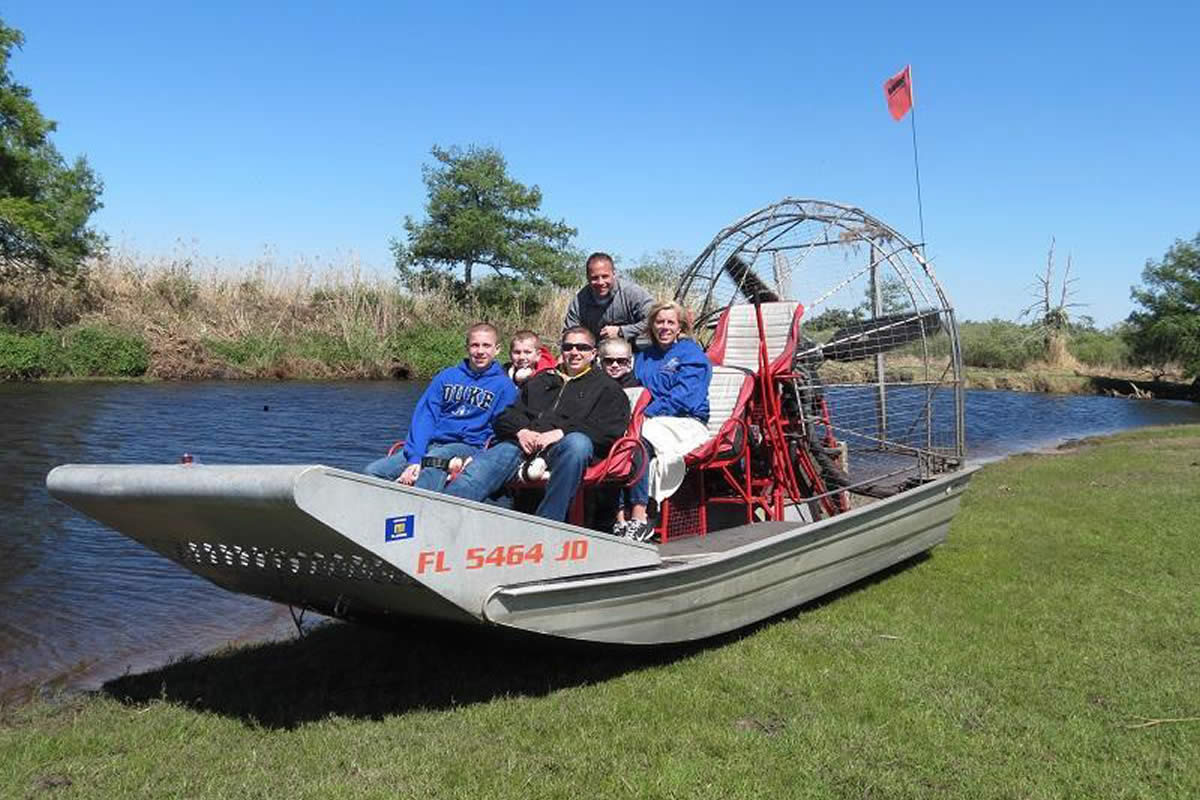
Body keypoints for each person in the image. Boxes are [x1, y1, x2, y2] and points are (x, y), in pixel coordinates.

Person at [441, 327, 630, 522]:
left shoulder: (608, 389)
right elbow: (506, 416)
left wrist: (561, 433)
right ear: (562, 351)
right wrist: (521, 431)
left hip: (563, 450)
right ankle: (443, 513)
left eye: (582, 347)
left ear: (593, 353)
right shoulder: (541, 380)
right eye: (568, 347)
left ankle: (547, 524)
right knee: (490, 462)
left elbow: (609, 430)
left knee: (578, 444)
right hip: (524, 445)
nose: (574, 352)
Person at [364, 322, 517, 490]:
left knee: (434, 460)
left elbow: (500, 431)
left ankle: (423, 512)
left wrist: (477, 457)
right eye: (475, 345)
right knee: (372, 472)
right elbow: (425, 417)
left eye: (486, 345)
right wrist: (415, 459)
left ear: (497, 349)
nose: (480, 351)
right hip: (432, 444)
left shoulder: (504, 386)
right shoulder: (446, 376)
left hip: (467, 446)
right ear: (467, 347)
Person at [618, 301, 712, 541]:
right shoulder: (643, 357)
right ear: (652, 325)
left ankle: (640, 517)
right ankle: (619, 516)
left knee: (639, 439)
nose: (664, 327)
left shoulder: (691, 355)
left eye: (671, 322)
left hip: (685, 421)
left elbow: (686, 396)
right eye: (659, 322)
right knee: (618, 438)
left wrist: (648, 412)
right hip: (646, 418)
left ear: (679, 327)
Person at [563, 252, 653, 344]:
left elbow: (654, 321)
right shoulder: (580, 300)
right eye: (594, 278)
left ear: (614, 274)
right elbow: (569, 332)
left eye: (605, 276)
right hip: (599, 352)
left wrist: (621, 331)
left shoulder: (633, 293)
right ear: (587, 278)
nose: (600, 282)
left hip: (634, 350)